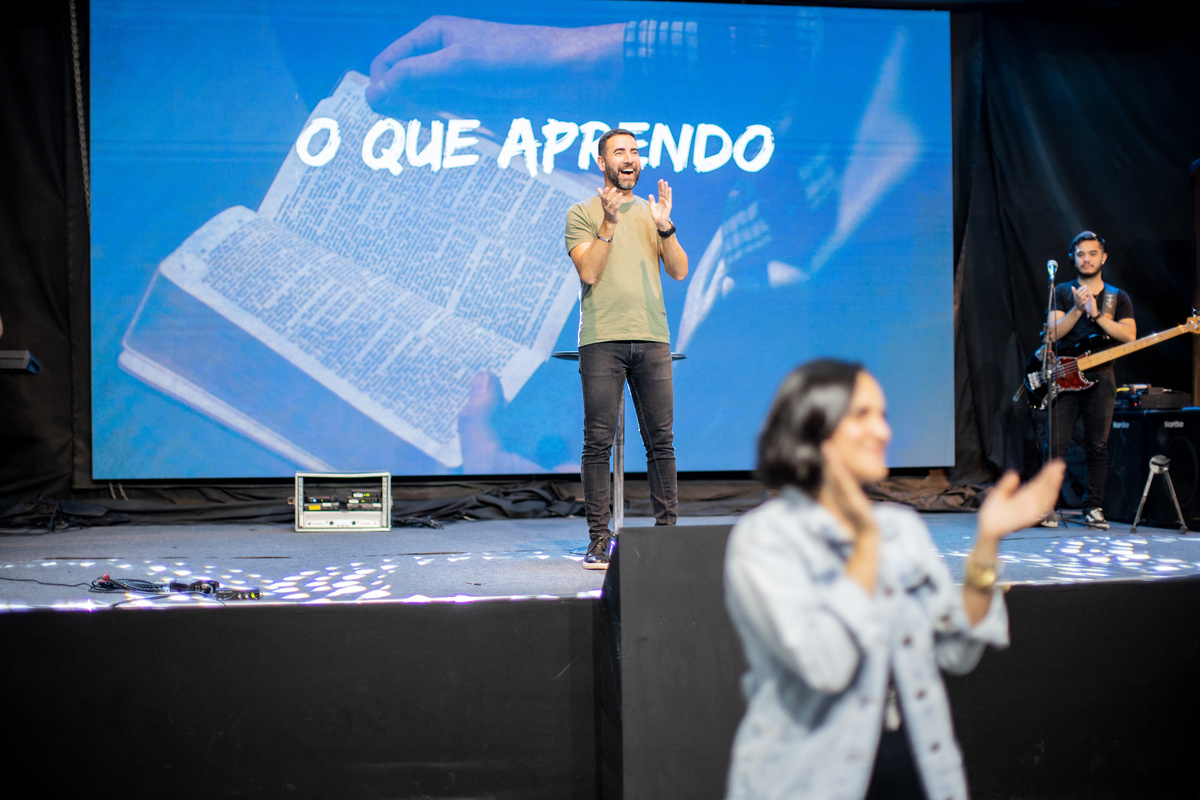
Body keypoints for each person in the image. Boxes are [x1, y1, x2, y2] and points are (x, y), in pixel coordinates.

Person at [724, 359, 1064, 800]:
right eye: (862, 415)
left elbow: (957, 652)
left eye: (883, 416)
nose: (884, 431)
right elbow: (825, 666)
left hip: (915, 768)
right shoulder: (765, 538)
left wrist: (988, 541)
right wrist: (865, 540)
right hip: (805, 777)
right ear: (816, 427)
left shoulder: (900, 527)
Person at [564, 128, 689, 569]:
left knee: (661, 441)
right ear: (603, 162)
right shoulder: (581, 213)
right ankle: (600, 538)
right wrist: (610, 223)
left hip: (653, 337)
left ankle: (667, 535)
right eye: (620, 152)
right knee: (597, 441)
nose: (630, 158)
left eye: (635, 151)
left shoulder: (653, 212)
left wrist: (666, 227)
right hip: (602, 339)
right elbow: (591, 273)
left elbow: (678, 271)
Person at [1044, 231, 1136, 530]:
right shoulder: (1061, 291)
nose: (1087, 259)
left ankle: (1093, 507)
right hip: (1066, 377)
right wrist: (1076, 309)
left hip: (1102, 376)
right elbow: (1053, 334)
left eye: (1093, 253)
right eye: (1081, 254)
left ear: (1103, 257)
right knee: (1055, 445)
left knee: (1097, 446)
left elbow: (1129, 336)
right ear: (1073, 257)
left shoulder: (1117, 297)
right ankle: (1046, 506)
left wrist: (1096, 314)